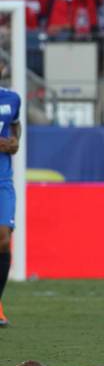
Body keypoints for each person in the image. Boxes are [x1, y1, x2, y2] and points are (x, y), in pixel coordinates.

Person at [0, 87, 21, 327]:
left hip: (2, 179)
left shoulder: (12, 98)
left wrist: (15, 140)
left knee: (3, 238)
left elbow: (15, 124)